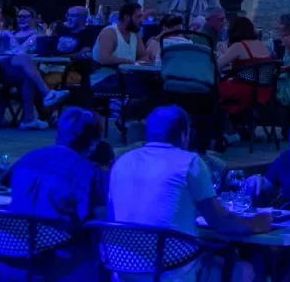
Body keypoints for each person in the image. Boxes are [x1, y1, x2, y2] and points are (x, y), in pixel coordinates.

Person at [108, 106, 270, 282]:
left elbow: (113, 219)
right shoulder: (189, 162)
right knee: (247, 269)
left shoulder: (121, 162)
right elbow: (221, 223)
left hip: (123, 272)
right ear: (185, 134)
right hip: (171, 273)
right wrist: (257, 223)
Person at [8, 106, 108, 282]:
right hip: (56, 265)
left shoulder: (27, 159)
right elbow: (105, 223)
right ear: (93, 144)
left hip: (8, 257)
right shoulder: (89, 173)